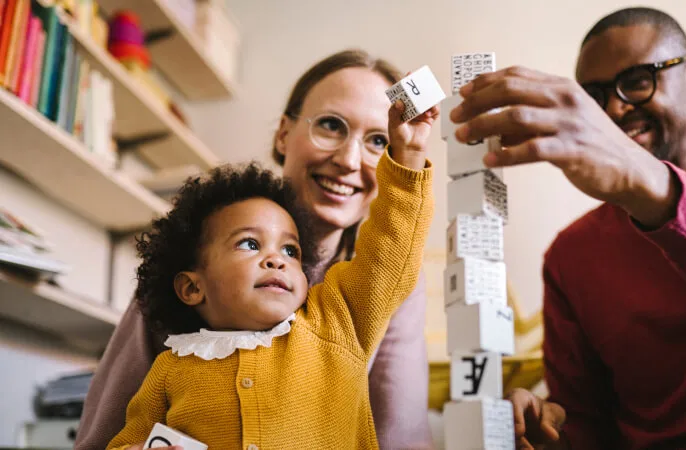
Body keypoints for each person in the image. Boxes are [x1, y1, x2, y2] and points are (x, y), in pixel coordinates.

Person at [449, 6, 686, 450]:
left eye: (637, 81)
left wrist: (648, 182)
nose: (615, 108)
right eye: (594, 96)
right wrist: (548, 423)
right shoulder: (571, 256)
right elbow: (587, 424)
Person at [76, 50, 434, 449]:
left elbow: (401, 429)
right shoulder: (194, 258)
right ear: (284, 133)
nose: (349, 160)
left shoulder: (359, 301)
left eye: (378, 140)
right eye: (332, 126)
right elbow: (113, 432)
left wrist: (410, 155)